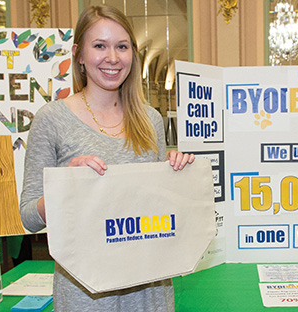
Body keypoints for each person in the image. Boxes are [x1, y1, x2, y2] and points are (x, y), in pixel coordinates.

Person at [20, 5, 194, 311]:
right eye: (99, 45)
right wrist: (65, 186)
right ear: (80, 54)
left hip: (149, 291)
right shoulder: (51, 120)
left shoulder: (150, 120)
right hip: (86, 296)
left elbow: (156, 208)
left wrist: (176, 177)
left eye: (122, 46)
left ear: (132, 55)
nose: (112, 58)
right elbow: (28, 217)